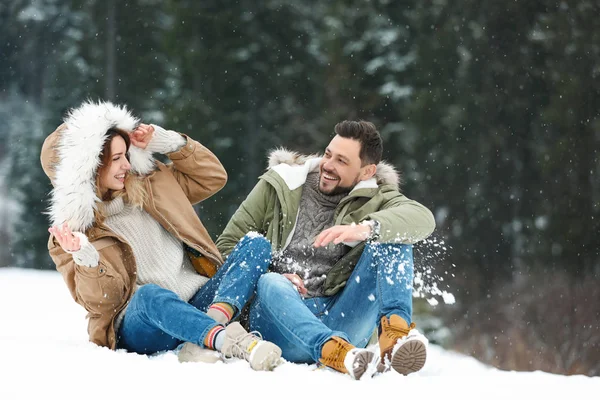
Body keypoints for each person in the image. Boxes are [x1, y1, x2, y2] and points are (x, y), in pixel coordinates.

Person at [40, 100, 281, 371]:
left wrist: (168, 142)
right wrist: (86, 258)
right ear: (90, 168)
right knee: (149, 294)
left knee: (255, 244)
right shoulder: (73, 234)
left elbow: (212, 177)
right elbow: (101, 304)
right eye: (116, 159)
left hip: (197, 302)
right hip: (142, 323)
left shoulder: (152, 184)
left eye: (127, 155)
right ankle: (228, 340)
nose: (127, 166)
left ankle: (206, 331)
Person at [216, 120, 436, 379]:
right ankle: (329, 349)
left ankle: (394, 336)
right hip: (279, 323)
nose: (328, 165)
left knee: (392, 234)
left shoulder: (377, 197)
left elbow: (423, 219)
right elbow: (226, 249)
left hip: (342, 319)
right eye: (328, 154)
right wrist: (266, 273)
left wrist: (365, 228)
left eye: (342, 161)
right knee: (270, 281)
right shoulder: (282, 184)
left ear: (367, 171)